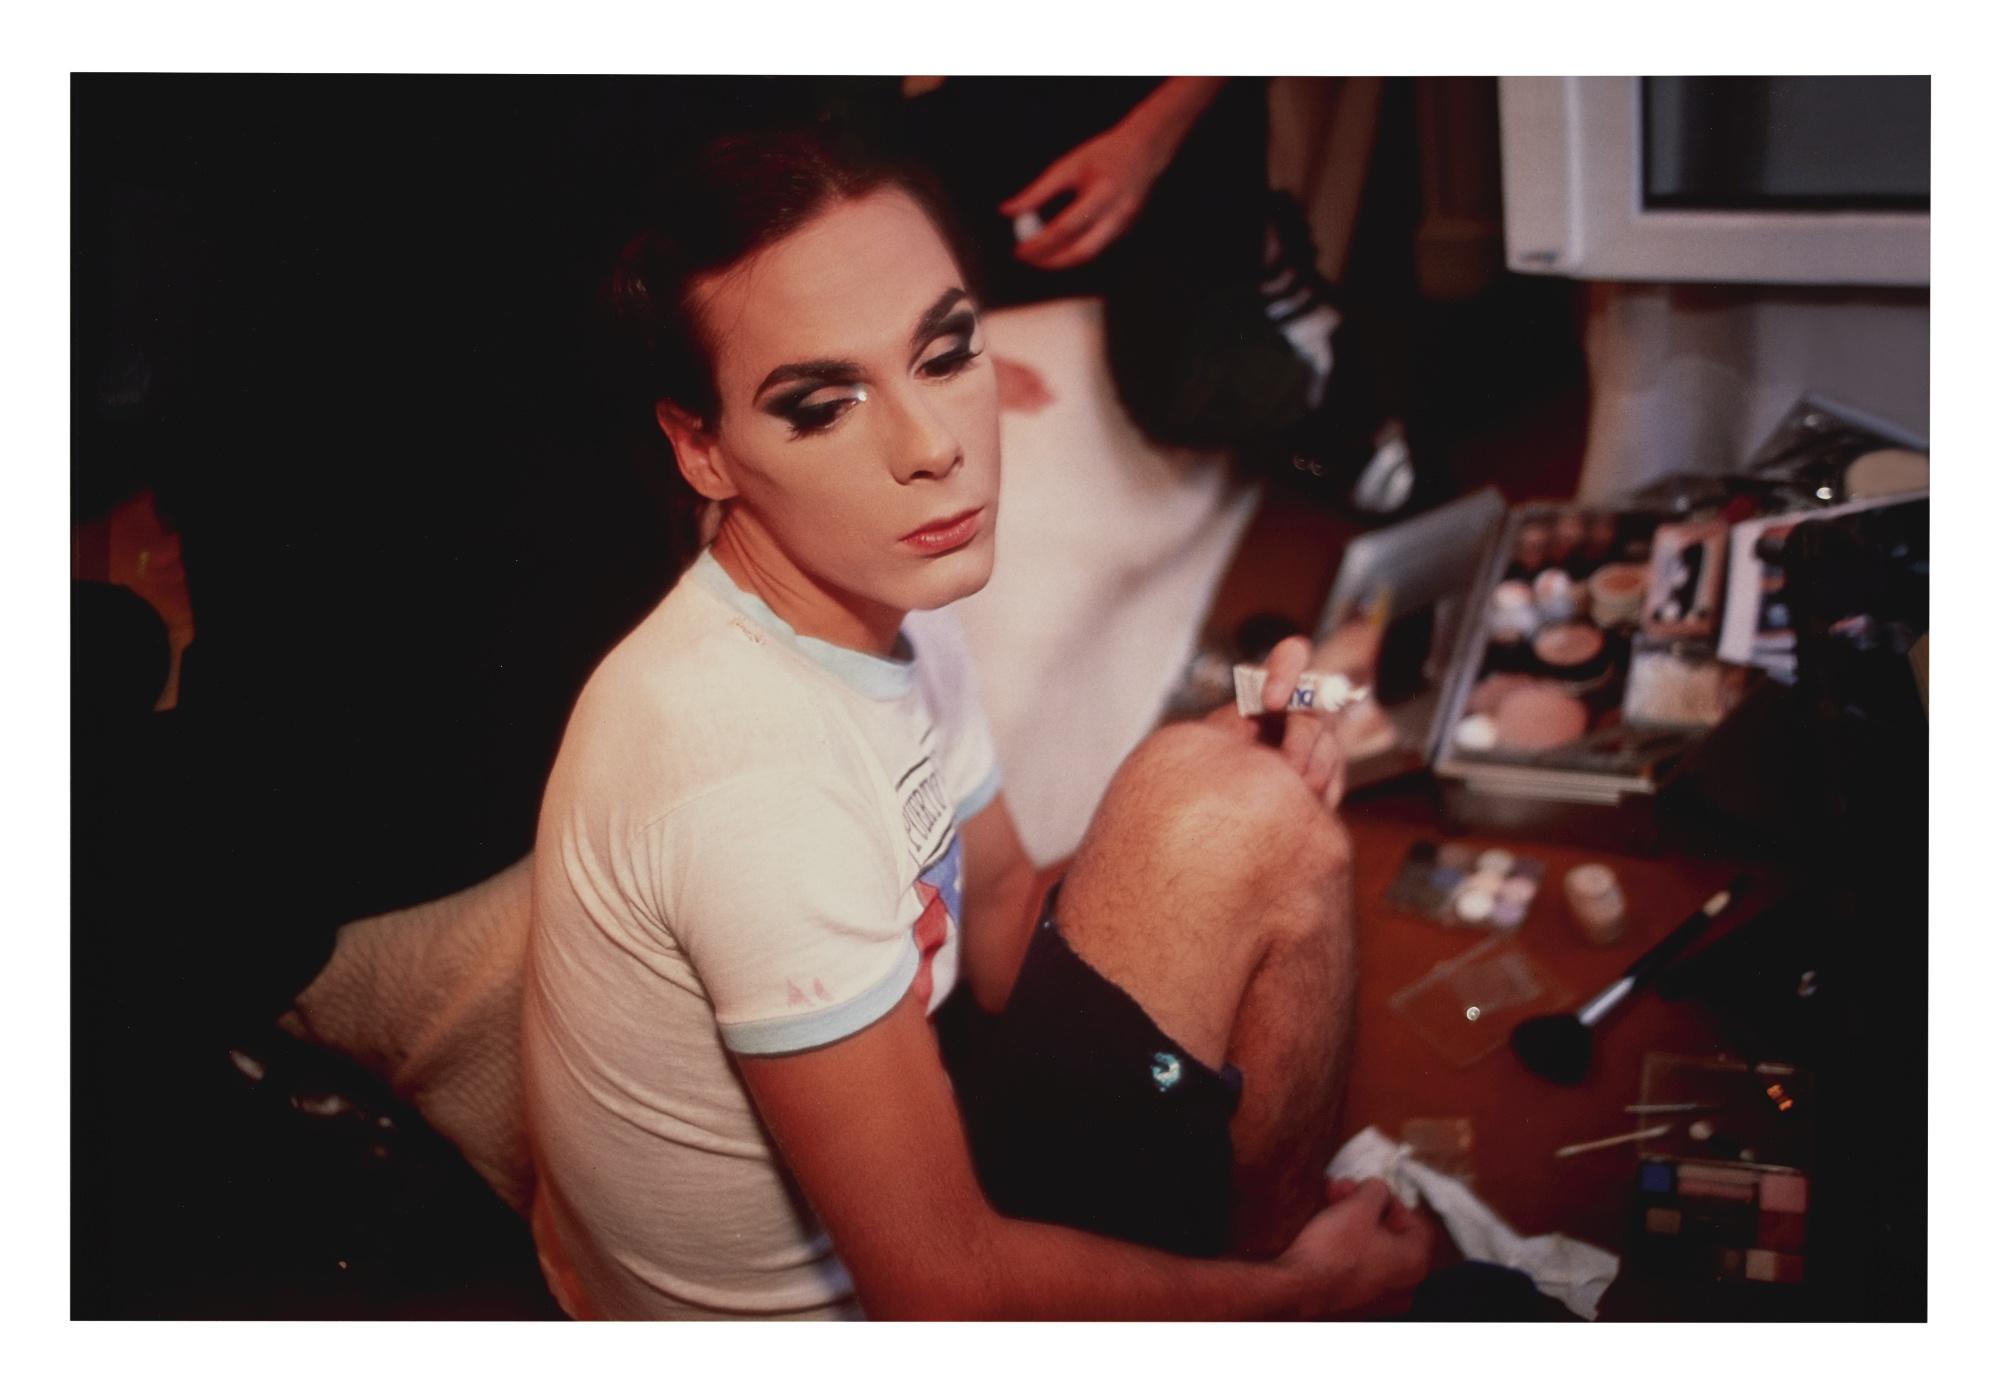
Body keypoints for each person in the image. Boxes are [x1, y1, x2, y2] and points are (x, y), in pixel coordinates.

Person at [519, 124, 1432, 1319]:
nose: (936, 446)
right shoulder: (744, 782)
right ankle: (1293, 1290)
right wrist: (1306, 1308)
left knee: (1226, 793)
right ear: (701, 447)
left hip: (914, 1209)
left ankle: (1274, 1268)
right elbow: (937, 1290)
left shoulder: (876, 584)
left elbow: (998, 913)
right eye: (820, 405)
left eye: (945, 354)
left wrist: (1223, 775)